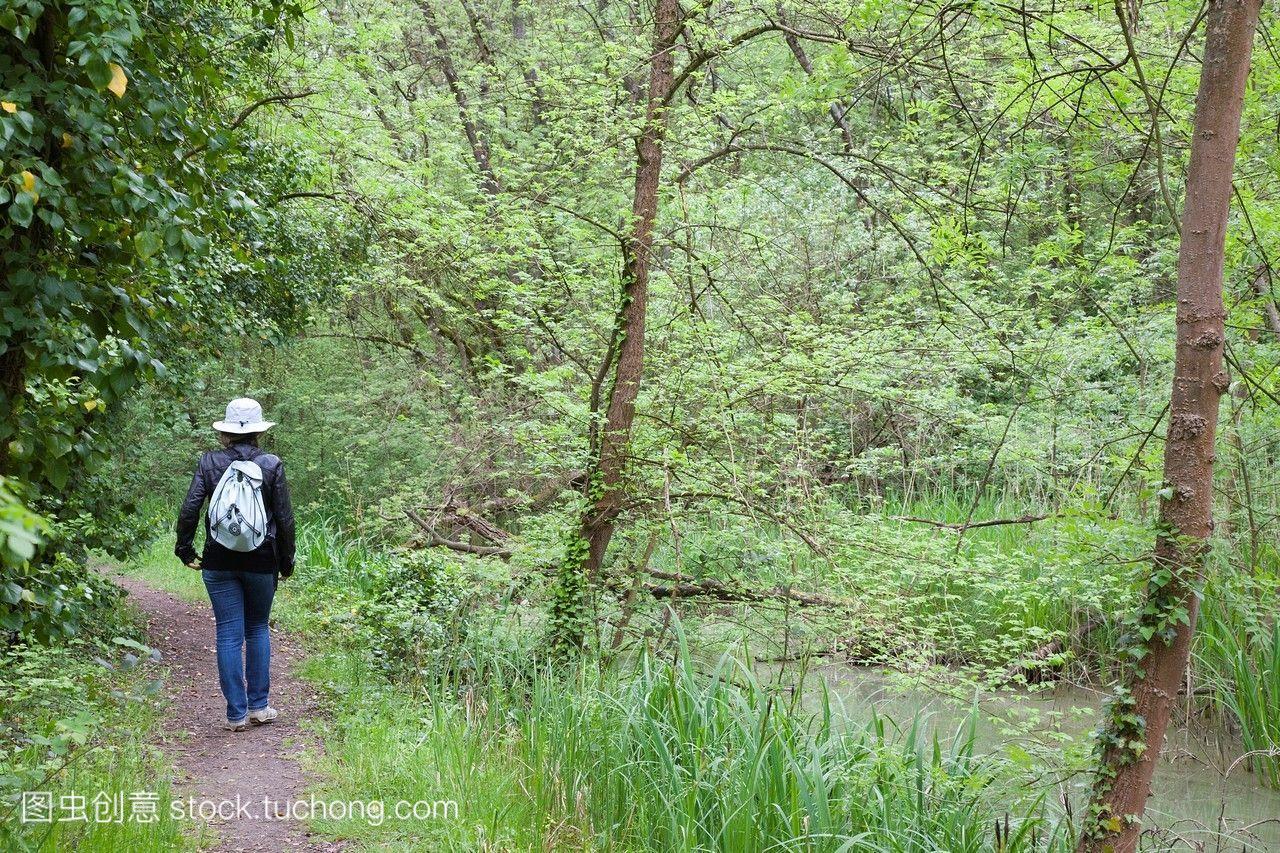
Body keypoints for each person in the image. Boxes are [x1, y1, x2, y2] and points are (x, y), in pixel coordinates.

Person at [175, 398, 296, 731]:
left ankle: (236, 715)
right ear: (258, 431)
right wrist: (286, 562)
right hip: (261, 560)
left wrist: (185, 550)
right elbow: (284, 519)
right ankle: (259, 707)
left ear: (226, 432)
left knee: (228, 634)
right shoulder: (271, 464)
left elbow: (190, 509)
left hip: (218, 559)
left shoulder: (210, 463)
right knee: (257, 628)